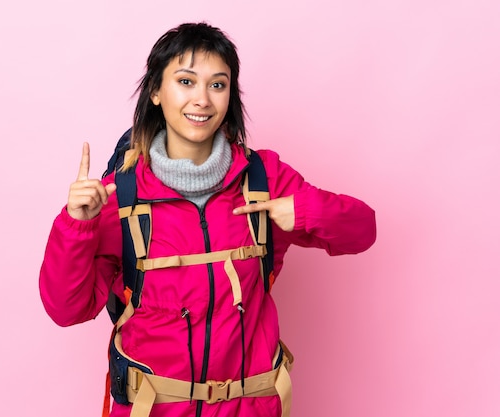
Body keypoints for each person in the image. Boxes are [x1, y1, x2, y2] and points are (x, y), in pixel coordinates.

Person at [39, 22, 376, 417]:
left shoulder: (263, 177)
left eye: (217, 85)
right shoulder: (119, 194)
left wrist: (301, 212)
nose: (202, 99)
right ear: (155, 91)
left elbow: (362, 230)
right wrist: (76, 225)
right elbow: (66, 310)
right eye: (185, 81)